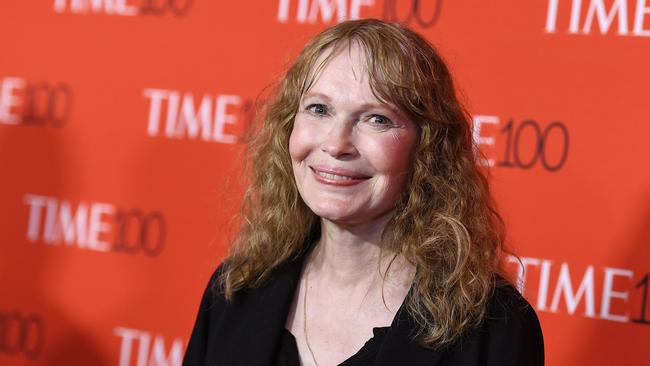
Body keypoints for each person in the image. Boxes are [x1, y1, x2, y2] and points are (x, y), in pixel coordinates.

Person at [182, 19, 544, 366]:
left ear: (428, 149)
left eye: (377, 118)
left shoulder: (493, 327)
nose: (337, 144)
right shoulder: (236, 290)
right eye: (319, 109)